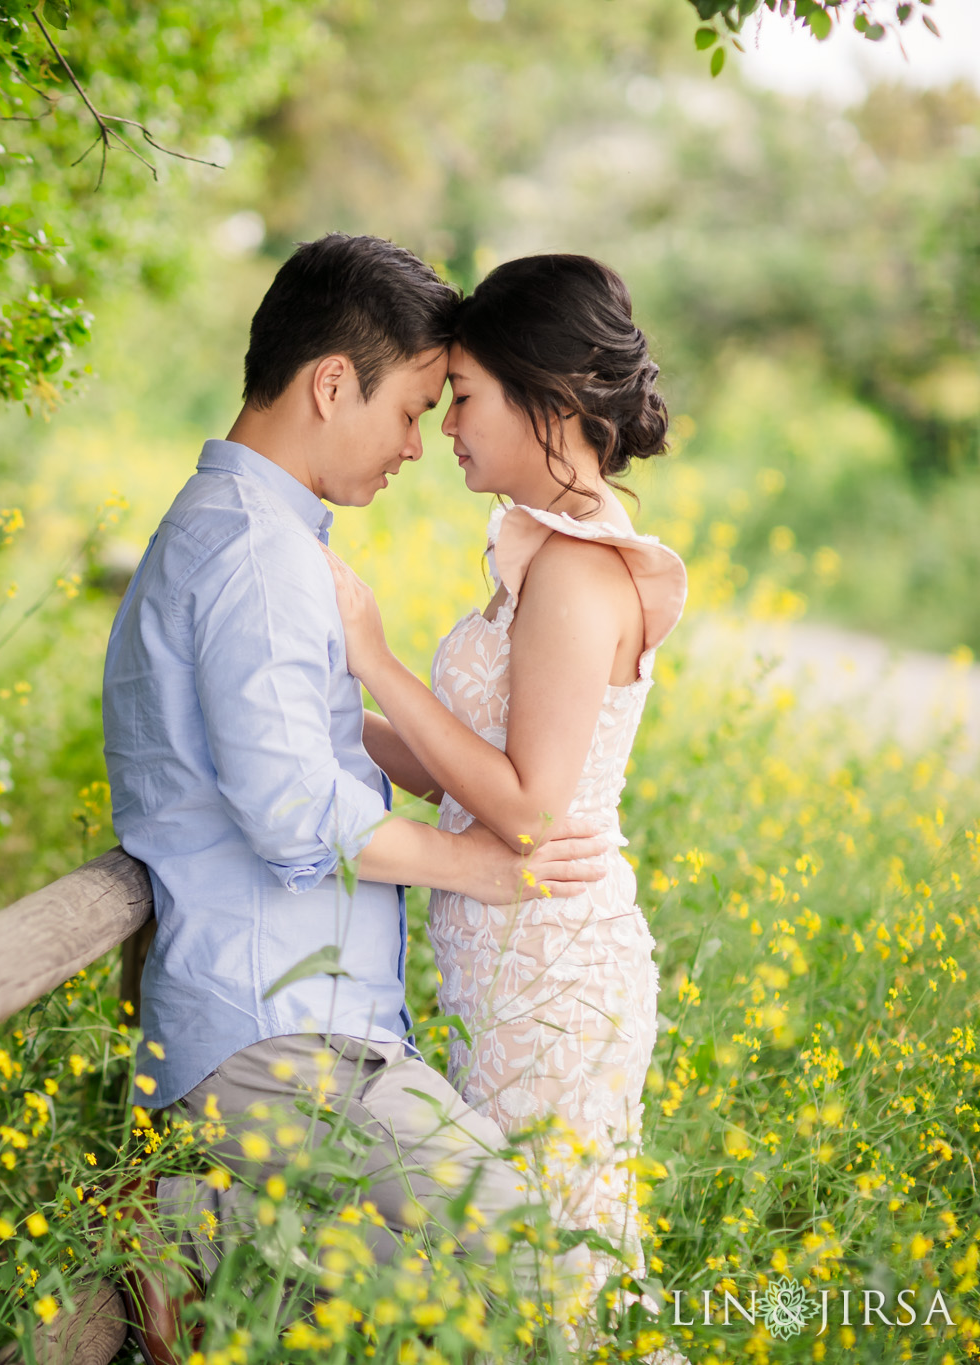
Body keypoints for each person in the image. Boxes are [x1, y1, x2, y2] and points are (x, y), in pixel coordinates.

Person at [100, 234, 612, 1362]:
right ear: (331, 383)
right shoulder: (253, 555)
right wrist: (487, 866)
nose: (418, 447)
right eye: (412, 408)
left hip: (297, 1030)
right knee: (548, 1267)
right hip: (279, 1039)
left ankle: (221, 1257)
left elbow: (289, 754)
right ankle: (203, 1252)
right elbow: (292, 817)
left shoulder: (245, 537)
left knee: (480, 1290)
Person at [322, 253, 687, 1335]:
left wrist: (374, 658)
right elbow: (455, 770)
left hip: (552, 976)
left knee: (557, 1276)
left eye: (465, 398)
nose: (443, 426)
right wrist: (327, 712)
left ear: (551, 400)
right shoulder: (539, 555)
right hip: (505, 962)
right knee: (529, 1273)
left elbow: (523, 806)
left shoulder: (577, 573)